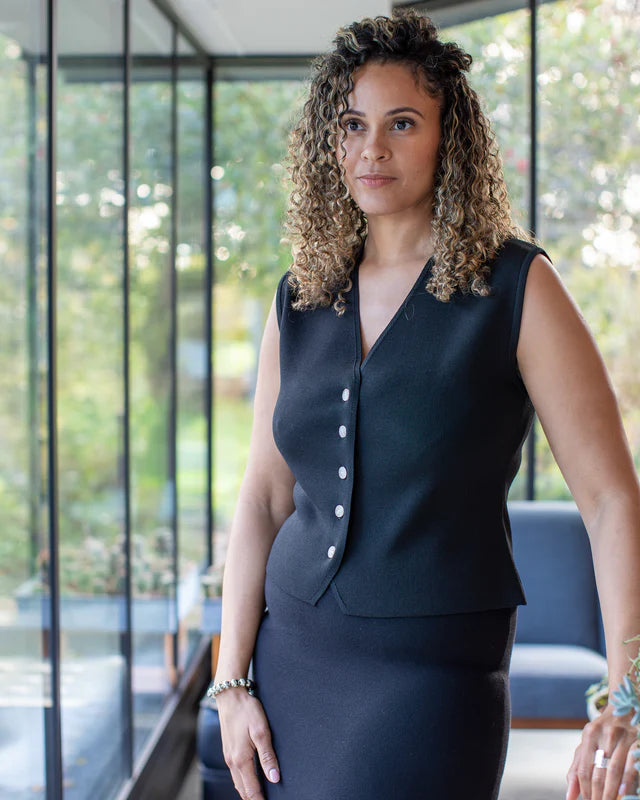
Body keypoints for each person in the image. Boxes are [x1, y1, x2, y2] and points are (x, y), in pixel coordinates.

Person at [209, 9, 640, 800]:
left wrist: (628, 687)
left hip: (433, 673)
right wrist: (231, 682)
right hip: (291, 655)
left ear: (449, 140)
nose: (371, 148)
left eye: (401, 123)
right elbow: (264, 498)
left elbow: (611, 499)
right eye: (353, 124)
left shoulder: (518, 287)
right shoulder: (300, 297)